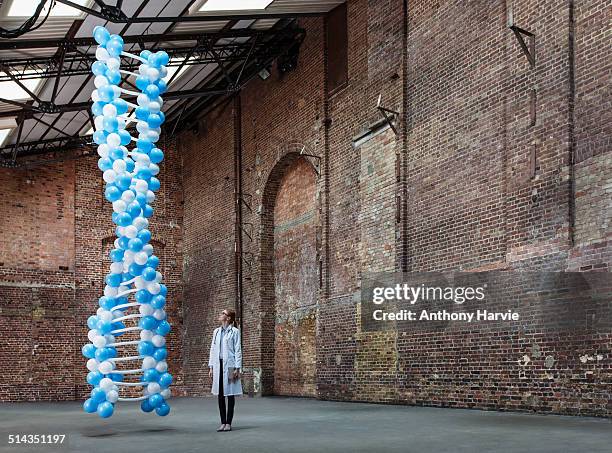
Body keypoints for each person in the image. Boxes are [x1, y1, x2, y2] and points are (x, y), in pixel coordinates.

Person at [208, 308, 242, 432]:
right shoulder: (216, 332)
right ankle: (222, 422)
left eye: (223, 313)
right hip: (218, 365)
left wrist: (237, 368)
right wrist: (211, 367)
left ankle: (229, 423)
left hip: (230, 365)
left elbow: (238, 350)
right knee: (221, 395)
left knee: (230, 394)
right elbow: (212, 349)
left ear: (228, 318)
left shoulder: (235, 331)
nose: (220, 314)